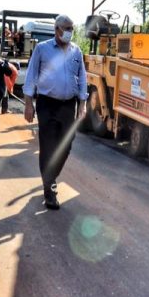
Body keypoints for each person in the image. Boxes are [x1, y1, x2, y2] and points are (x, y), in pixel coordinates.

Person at [23, 14, 87, 210]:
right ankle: (49, 189)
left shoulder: (76, 51)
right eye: (66, 28)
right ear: (56, 29)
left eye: (71, 28)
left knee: (65, 146)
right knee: (48, 146)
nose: (69, 32)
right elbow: (31, 75)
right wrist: (28, 103)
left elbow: (82, 77)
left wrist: (82, 104)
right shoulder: (43, 49)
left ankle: (50, 177)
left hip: (69, 105)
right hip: (47, 104)